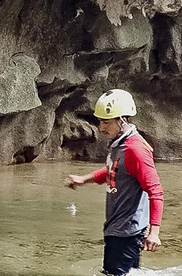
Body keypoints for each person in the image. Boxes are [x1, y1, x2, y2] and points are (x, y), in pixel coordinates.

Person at [65, 89, 163, 275]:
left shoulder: (135, 149)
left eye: (106, 122)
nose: (101, 128)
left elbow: (155, 191)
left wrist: (154, 233)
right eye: (100, 121)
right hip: (118, 228)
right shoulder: (120, 143)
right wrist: (84, 180)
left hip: (127, 231)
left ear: (123, 120)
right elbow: (115, 171)